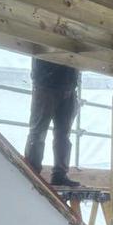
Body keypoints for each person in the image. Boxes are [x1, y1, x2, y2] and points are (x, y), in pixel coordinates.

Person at [24, 58, 81, 187]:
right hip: (46, 85)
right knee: (38, 132)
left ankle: (59, 175)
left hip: (68, 86)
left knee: (63, 135)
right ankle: (32, 173)